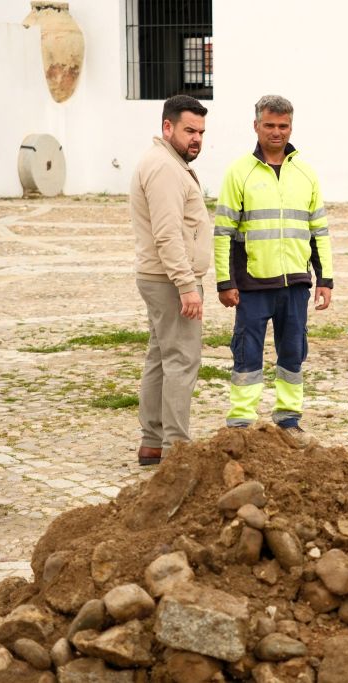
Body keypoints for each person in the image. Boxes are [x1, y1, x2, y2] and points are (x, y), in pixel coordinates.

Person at [214, 94, 333, 432]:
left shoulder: (306, 174)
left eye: (283, 126)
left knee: (293, 354)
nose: (276, 132)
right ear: (256, 126)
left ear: (291, 127)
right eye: (270, 125)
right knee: (247, 355)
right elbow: (223, 232)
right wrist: (225, 282)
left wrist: (325, 280)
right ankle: (241, 422)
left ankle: (288, 418)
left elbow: (318, 232)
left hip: (295, 284)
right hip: (252, 285)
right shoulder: (239, 172)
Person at [130, 95, 211, 466]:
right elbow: (167, 234)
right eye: (189, 130)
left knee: (161, 357)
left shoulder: (168, 162)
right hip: (168, 279)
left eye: (200, 132)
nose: (196, 138)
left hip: (160, 277)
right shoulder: (164, 167)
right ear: (167, 127)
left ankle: (152, 442)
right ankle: (176, 448)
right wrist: (186, 285)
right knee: (181, 359)